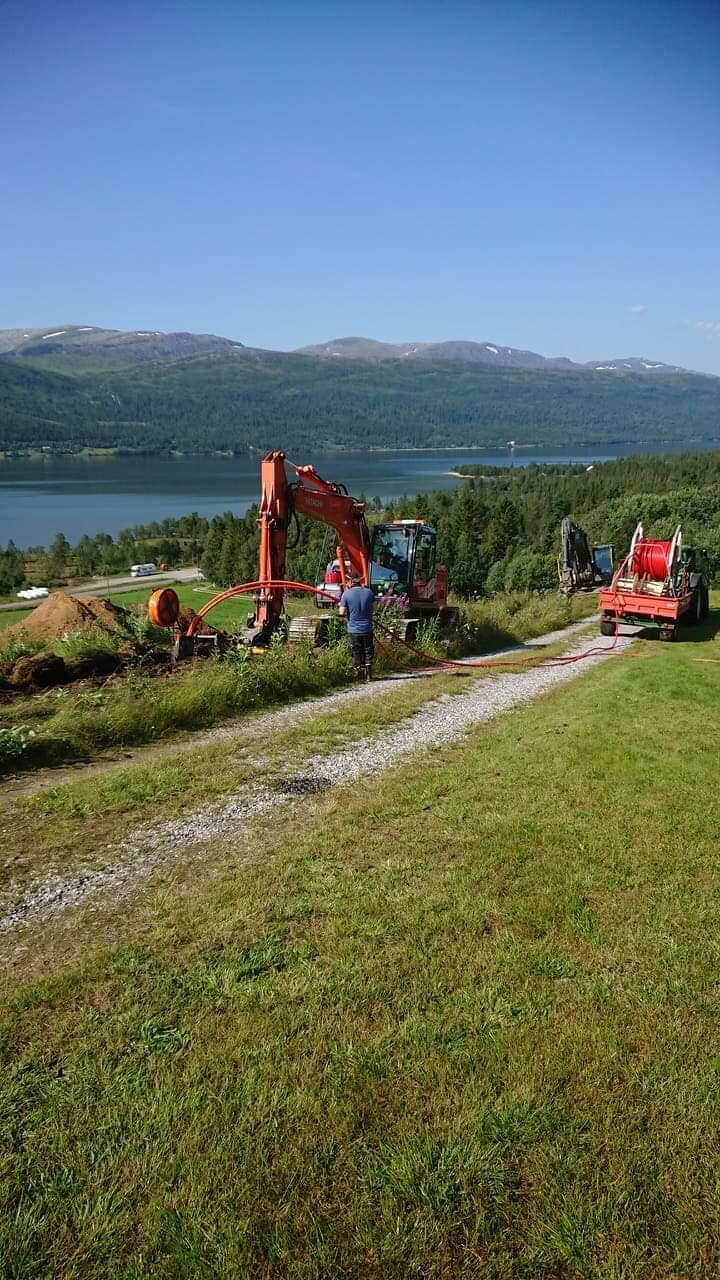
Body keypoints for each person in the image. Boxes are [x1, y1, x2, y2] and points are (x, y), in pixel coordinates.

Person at [339, 573, 375, 681]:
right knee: (368, 650)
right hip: (367, 628)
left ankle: (359, 674)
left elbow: (342, 612)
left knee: (356, 650)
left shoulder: (346, 594)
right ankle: (368, 675)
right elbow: (374, 608)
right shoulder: (369, 592)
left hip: (354, 629)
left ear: (350, 582)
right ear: (359, 581)